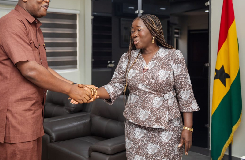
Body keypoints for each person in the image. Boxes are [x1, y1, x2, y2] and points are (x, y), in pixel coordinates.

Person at [0, 0, 92, 160]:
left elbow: (43, 68)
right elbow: (30, 70)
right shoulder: (11, 23)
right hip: (14, 120)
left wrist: (75, 85)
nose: (47, 0)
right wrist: (69, 89)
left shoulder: (33, 26)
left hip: (32, 117)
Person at [73, 14, 200, 159]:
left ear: (152, 32)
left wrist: (187, 127)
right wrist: (92, 92)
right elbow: (115, 86)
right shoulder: (127, 58)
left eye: (138, 30)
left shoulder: (173, 56)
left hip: (167, 128)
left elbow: (186, 94)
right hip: (135, 128)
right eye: (132, 31)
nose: (133, 34)